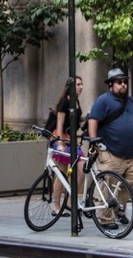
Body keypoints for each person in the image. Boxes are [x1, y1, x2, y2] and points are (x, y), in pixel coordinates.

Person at [87, 68, 133, 232]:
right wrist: (93, 141)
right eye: (119, 82)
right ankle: (106, 219)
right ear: (111, 84)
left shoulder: (131, 101)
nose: (123, 85)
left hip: (131, 154)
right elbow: (93, 120)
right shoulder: (103, 101)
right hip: (111, 151)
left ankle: (116, 204)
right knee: (109, 184)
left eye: (125, 82)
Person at [50, 75, 86, 216]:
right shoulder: (65, 102)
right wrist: (59, 142)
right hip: (63, 139)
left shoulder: (75, 101)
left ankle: (71, 200)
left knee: (82, 168)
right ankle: (57, 206)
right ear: (70, 87)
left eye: (81, 84)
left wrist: (86, 117)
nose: (81, 87)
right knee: (62, 173)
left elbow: (74, 120)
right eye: (78, 84)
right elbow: (60, 123)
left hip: (71, 139)